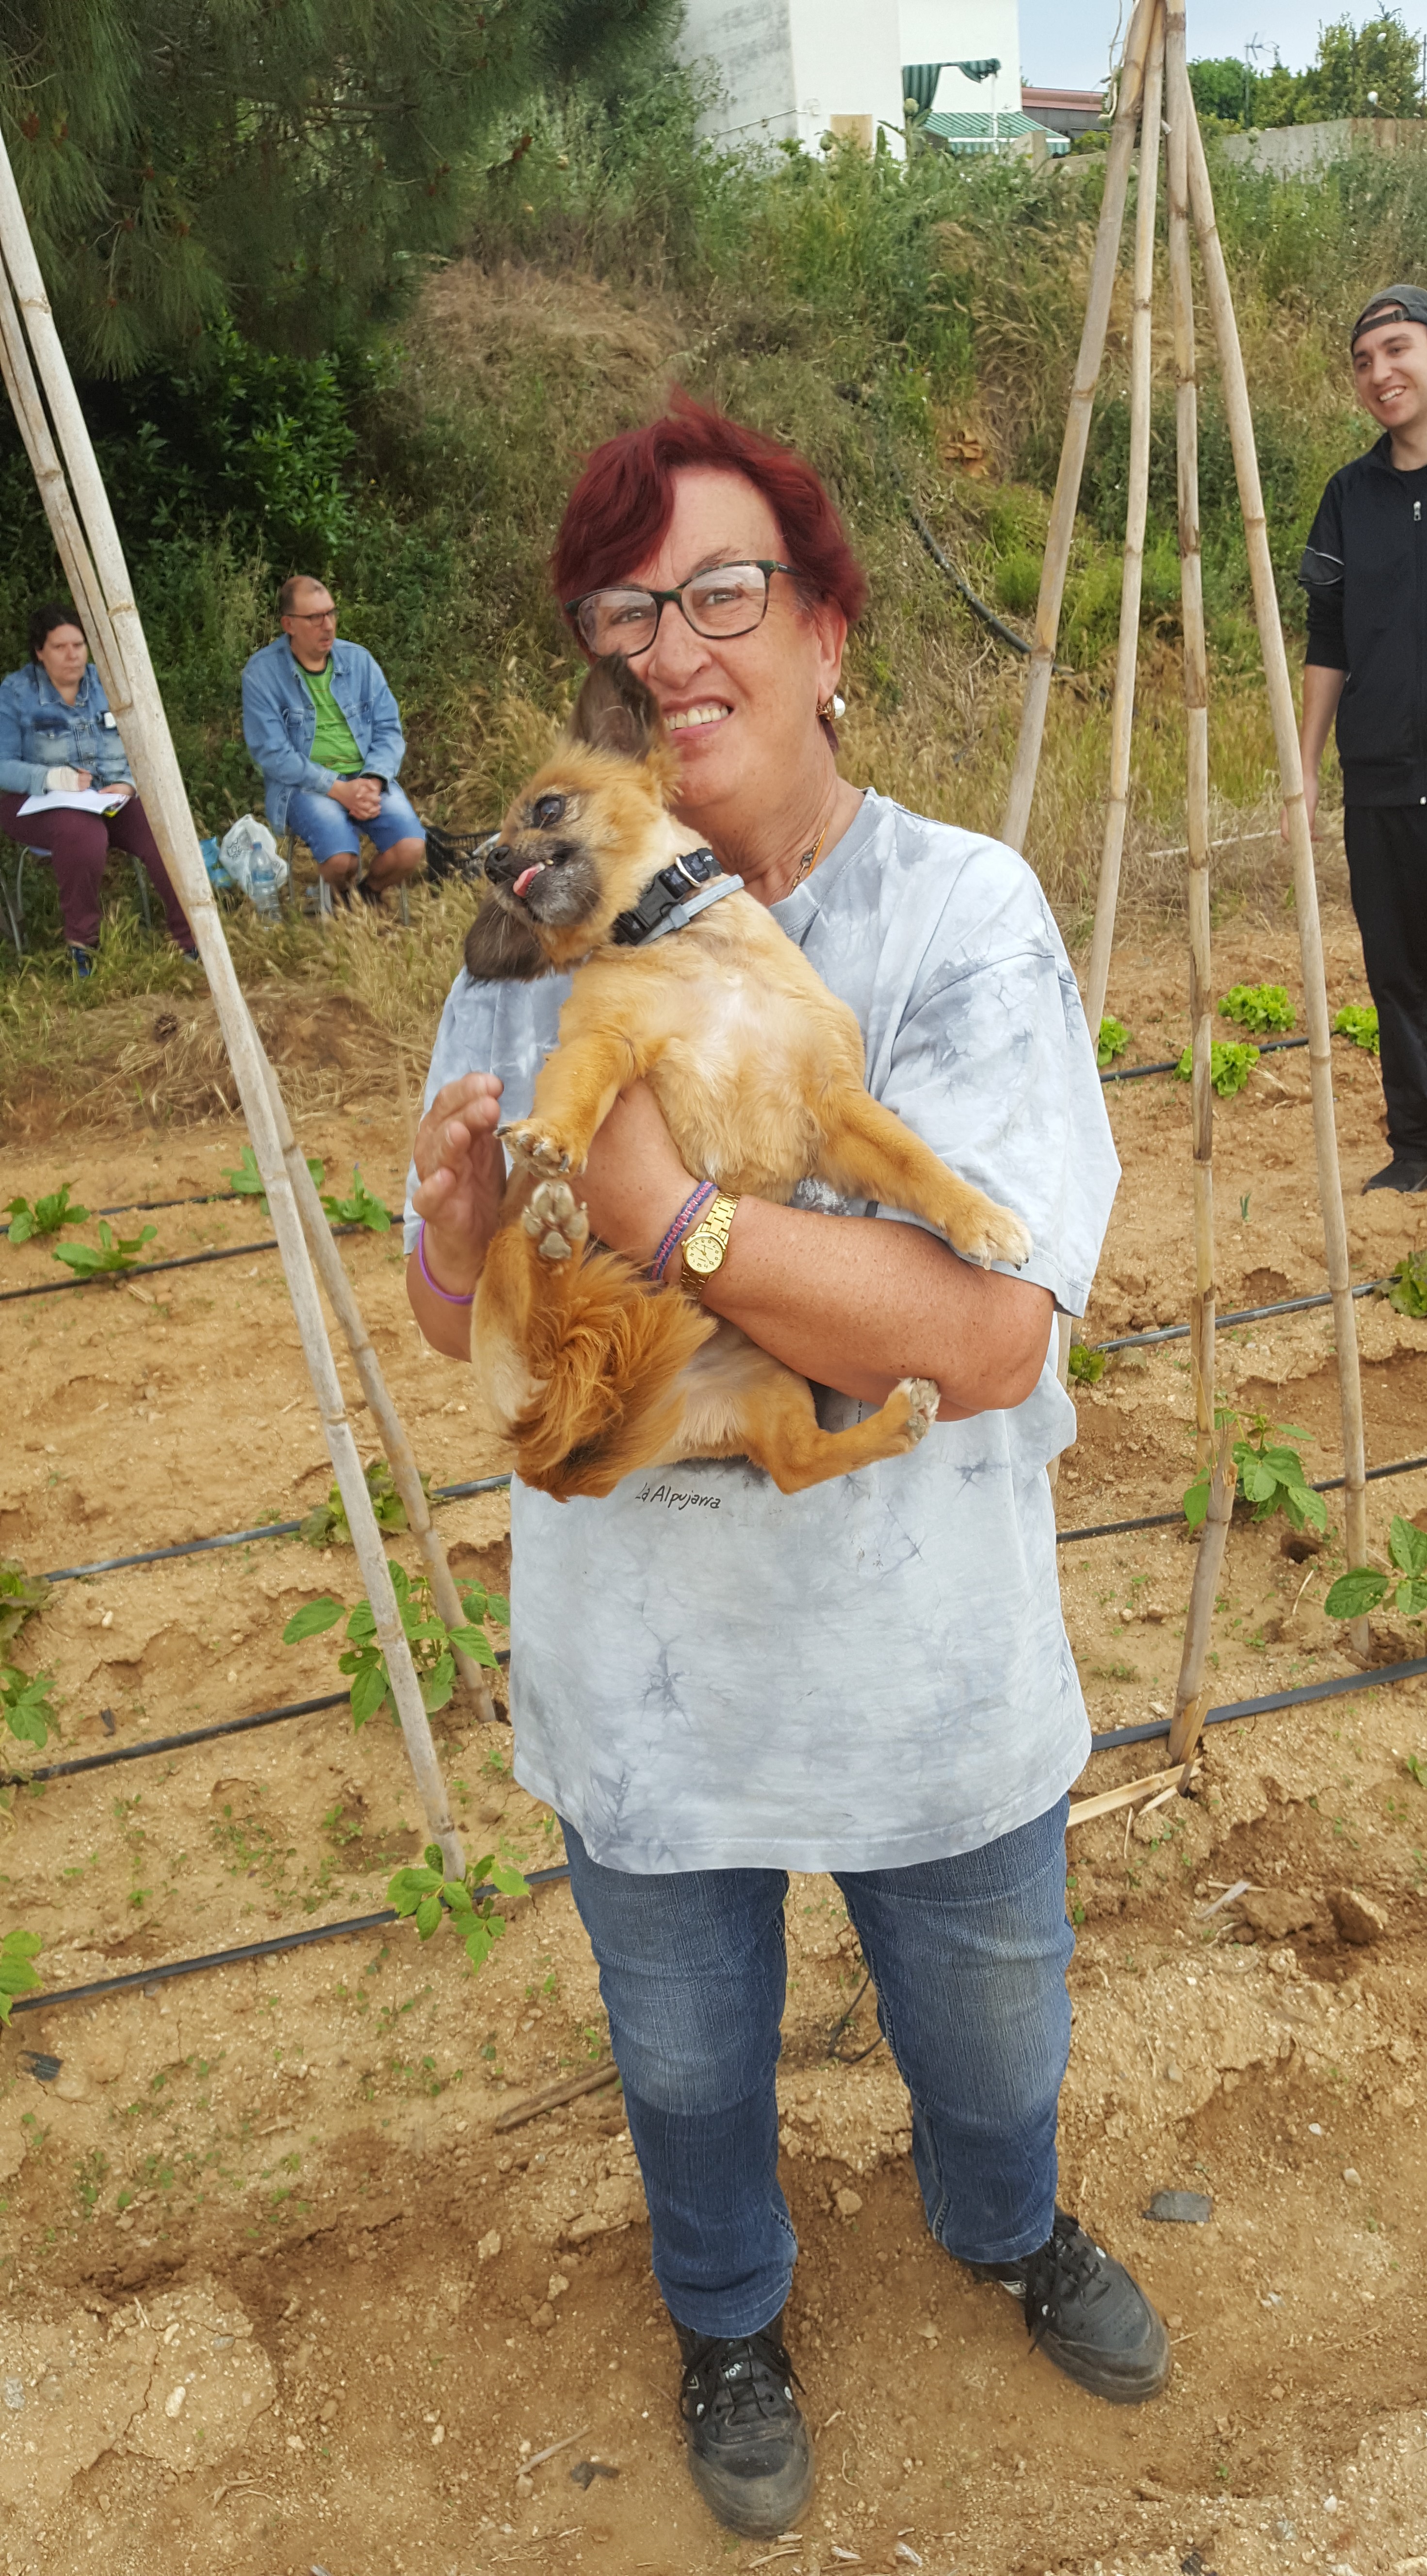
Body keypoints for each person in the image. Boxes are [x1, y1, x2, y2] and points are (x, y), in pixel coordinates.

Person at [405, 399, 1167, 2543]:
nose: (670, 646)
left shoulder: (955, 912)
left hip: (929, 1680)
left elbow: (986, 1330)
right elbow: (455, 1317)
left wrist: (669, 1216)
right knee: (678, 2065)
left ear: (827, 633)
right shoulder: (535, 913)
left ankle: (1004, 2220)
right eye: (623, 613)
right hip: (645, 1693)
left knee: (992, 2034)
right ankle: (726, 2308)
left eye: (721, 592)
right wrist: (462, 1245)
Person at [1296, 281, 1427, 1192]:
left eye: (1395, 351)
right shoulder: (1348, 497)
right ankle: (1425, 1145)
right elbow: (1327, 637)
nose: (1378, 374)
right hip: (1383, 781)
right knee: (1397, 976)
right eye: (1361, 362)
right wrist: (1305, 766)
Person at [0, 602, 195, 972]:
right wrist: (51, 779)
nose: (72, 655)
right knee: (82, 832)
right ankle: (83, 945)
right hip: (36, 803)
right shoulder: (15, 693)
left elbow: (147, 746)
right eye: (60, 647)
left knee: (162, 827)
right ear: (40, 652)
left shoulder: (109, 685)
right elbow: (2, 765)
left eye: (79, 645)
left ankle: (192, 937)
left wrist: (130, 784)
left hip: (109, 797)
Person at [241, 576, 425, 907]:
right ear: (289, 625)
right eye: (314, 617)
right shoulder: (262, 674)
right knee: (341, 862)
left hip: (365, 777)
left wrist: (373, 780)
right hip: (305, 786)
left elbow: (389, 730)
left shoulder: (359, 661)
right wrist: (339, 790)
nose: (328, 625)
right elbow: (273, 754)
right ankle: (339, 896)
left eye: (331, 613)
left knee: (410, 849)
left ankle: (366, 897)